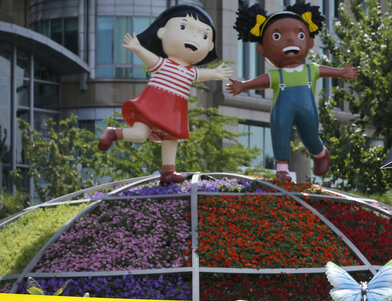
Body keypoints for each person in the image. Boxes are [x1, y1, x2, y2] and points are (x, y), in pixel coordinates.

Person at [98, 4, 232, 184]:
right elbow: (150, 58)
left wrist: (216, 74)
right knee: (139, 135)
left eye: (204, 35)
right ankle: (114, 133)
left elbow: (203, 74)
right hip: (152, 106)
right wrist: (138, 48)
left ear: (210, 46)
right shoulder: (163, 64)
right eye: (183, 27)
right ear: (162, 32)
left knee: (172, 138)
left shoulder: (191, 72)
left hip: (173, 112)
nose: (194, 37)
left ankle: (168, 171)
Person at [227, 2, 359, 182]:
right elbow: (261, 81)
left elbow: (327, 71)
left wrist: (342, 73)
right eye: (277, 36)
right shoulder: (276, 75)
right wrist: (243, 85)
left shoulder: (311, 70)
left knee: (310, 136)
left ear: (309, 42)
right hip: (282, 110)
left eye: (299, 34)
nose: (290, 40)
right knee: (279, 131)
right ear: (262, 50)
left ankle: (320, 153)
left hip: (308, 111)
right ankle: (282, 169)